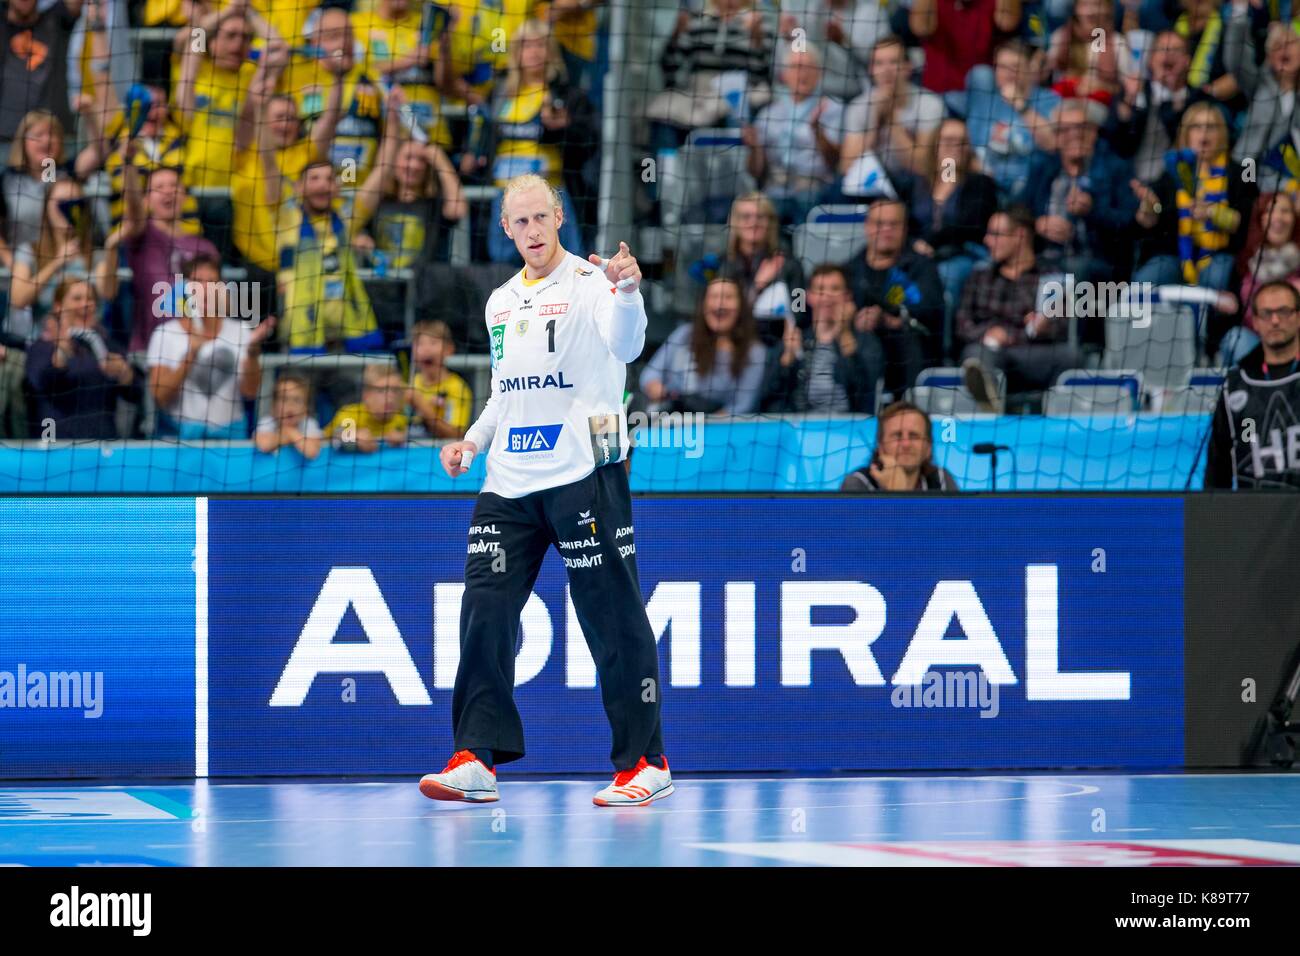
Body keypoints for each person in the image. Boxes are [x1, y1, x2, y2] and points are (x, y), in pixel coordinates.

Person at [421, 173, 670, 808]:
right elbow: (505, 393)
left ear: (559, 218)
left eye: (541, 218)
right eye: (519, 223)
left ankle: (646, 762)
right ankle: (477, 756)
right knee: (484, 610)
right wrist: (472, 442)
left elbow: (628, 344)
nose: (532, 231)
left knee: (610, 615)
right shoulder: (500, 301)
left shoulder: (593, 285)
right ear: (505, 230)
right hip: (509, 481)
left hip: (586, 470)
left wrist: (629, 292)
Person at [957, 207, 1081, 408]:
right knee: (975, 354)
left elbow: (1063, 326)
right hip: (990, 352)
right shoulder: (979, 276)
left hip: (1033, 353)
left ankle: (1054, 414)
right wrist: (990, 333)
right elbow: (962, 325)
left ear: (1020, 235)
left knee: (1070, 356)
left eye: (996, 234)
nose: (987, 241)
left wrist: (1042, 328)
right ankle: (989, 406)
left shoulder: (1052, 277)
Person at [147, 254, 274, 440]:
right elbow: (159, 397)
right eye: (197, 282)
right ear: (185, 288)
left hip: (230, 439)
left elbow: (250, 392)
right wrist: (192, 354)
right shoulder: (165, 334)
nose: (205, 289)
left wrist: (252, 353)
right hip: (181, 441)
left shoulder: (240, 331)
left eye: (212, 282)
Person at [276, 159, 382, 354]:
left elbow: (381, 174)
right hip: (300, 334)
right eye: (314, 178)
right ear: (299, 188)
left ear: (336, 187)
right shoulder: (286, 219)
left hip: (345, 336)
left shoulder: (345, 219)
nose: (323, 184)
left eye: (329, 179)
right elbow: (268, 170)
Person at [1205, 281, 1300, 489]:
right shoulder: (1235, 383)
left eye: (1283, 311)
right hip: (1255, 514)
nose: (1275, 321)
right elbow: (1218, 464)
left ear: (1298, 316)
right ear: (1255, 321)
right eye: (1267, 313)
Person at [843, 198, 945, 389]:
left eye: (894, 224)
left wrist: (893, 320)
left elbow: (931, 310)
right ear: (867, 227)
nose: (886, 230)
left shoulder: (922, 267)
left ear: (905, 228)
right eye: (880, 224)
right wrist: (852, 319)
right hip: (859, 348)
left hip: (906, 352)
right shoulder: (849, 271)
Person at [24, 278, 140, 440]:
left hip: (102, 446)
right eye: (77, 298)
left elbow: (135, 394)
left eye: (90, 299)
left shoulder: (108, 346)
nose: (86, 304)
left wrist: (124, 374)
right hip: (54, 445)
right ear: (58, 307)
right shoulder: (42, 347)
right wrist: (62, 352)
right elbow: (40, 382)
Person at [743, 45, 844, 227]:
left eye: (808, 67)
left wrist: (817, 131)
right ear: (784, 74)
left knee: (806, 200)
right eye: (796, 67)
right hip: (774, 189)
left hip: (814, 189)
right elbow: (756, 173)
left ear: (819, 73)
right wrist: (754, 147)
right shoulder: (768, 113)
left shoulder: (832, 109)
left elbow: (836, 163)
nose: (802, 73)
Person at [761, 264, 884, 413]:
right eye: (820, 289)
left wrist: (845, 335)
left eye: (835, 289)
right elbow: (770, 397)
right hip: (798, 427)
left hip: (848, 427)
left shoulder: (866, 341)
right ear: (809, 296)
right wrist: (788, 359)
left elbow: (865, 394)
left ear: (847, 296)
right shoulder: (796, 339)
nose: (827, 296)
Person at [640, 277, 769, 415]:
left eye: (728, 297)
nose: (720, 304)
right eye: (714, 296)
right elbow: (649, 374)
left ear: (741, 307)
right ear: (704, 304)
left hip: (718, 429)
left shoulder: (755, 352)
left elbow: (742, 406)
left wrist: (702, 426)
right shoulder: (684, 334)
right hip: (670, 418)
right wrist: (658, 390)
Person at [717, 191, 805, 341]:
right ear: (735, 222)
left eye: (760, 217)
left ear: (770, 223)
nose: (753, 223)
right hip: (734, 341)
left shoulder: (792, 264)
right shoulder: (723, 265)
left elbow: (800, 309)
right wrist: (758, 286)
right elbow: (722, 312)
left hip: (777, 343)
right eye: (746, 217)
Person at [0, 0, 81, 157]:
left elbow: (75, 4)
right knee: (8, 182)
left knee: (49, 180)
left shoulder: (55, 19)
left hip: (50, 141)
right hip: (4, 141)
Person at [908, 0, 1023, 95]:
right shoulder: (934, 3)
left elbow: (1007, 23)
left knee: (982, 74)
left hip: (982, 94)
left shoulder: (989, 3)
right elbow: (920, 28)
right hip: (940, 93)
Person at [841, 400, 959, 490]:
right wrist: (895, 495)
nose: (906, 444)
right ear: (881, 446)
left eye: (914, 436)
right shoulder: (859, 484)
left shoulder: (940, 481)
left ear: (928, 447)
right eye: (897, 436)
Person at [407, 319, 472, 440]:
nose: (426, 349)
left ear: (449, 349)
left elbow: (456, 435)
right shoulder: (409, 384)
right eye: (419, 344)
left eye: (433, 343)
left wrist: (422, 406)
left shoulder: (458, 388)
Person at [324, 362, 408, 452]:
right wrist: (354, 437)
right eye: (381, 391)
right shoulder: (349, 414)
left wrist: (401, 438)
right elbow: (340, 434)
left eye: (395, 390)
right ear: (366, 395)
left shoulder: (400, 418)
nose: (390, 397)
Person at [255, 371, 323, 459]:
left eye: (297, 400)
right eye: (284, 399)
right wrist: (287, 436)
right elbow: (264, 445)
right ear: (273, 406)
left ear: (305, 409)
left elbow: (312, 452)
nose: (290, 405)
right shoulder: (267, 421)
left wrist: (290, 433)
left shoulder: (308, 423)